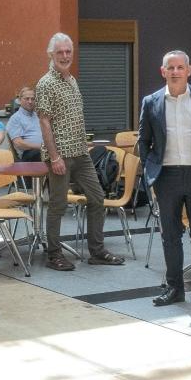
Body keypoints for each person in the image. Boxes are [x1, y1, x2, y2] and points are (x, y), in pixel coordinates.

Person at [138, 50, 191, 312]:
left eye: (179, 67)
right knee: (171, 236)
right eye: (170, 68)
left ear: (189, 70)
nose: (175, 72)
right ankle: (174, 289)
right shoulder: (151, 101)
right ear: (162, 71)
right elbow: (143, 140)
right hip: (168, 177)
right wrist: (151, 170)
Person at [36, 32, 125, 271]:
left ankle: (96, 251)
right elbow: (44, 122)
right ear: (51, 54)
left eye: (68, 52)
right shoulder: (46, 84)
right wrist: (54, 157)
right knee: (57, 205)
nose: (65, 56)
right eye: (60, 52)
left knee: (97, 198)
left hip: (81, 153)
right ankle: (54, 254)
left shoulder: (71, 80)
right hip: (60, 155)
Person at [7, 86, 43, 162]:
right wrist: (41, 147)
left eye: (32, 99)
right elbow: (19, 143)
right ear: (19, 100)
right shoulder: (15, 118)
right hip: (29, 154)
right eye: (27, 99)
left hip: (43, 151)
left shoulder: (38, 116)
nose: (30, 101)